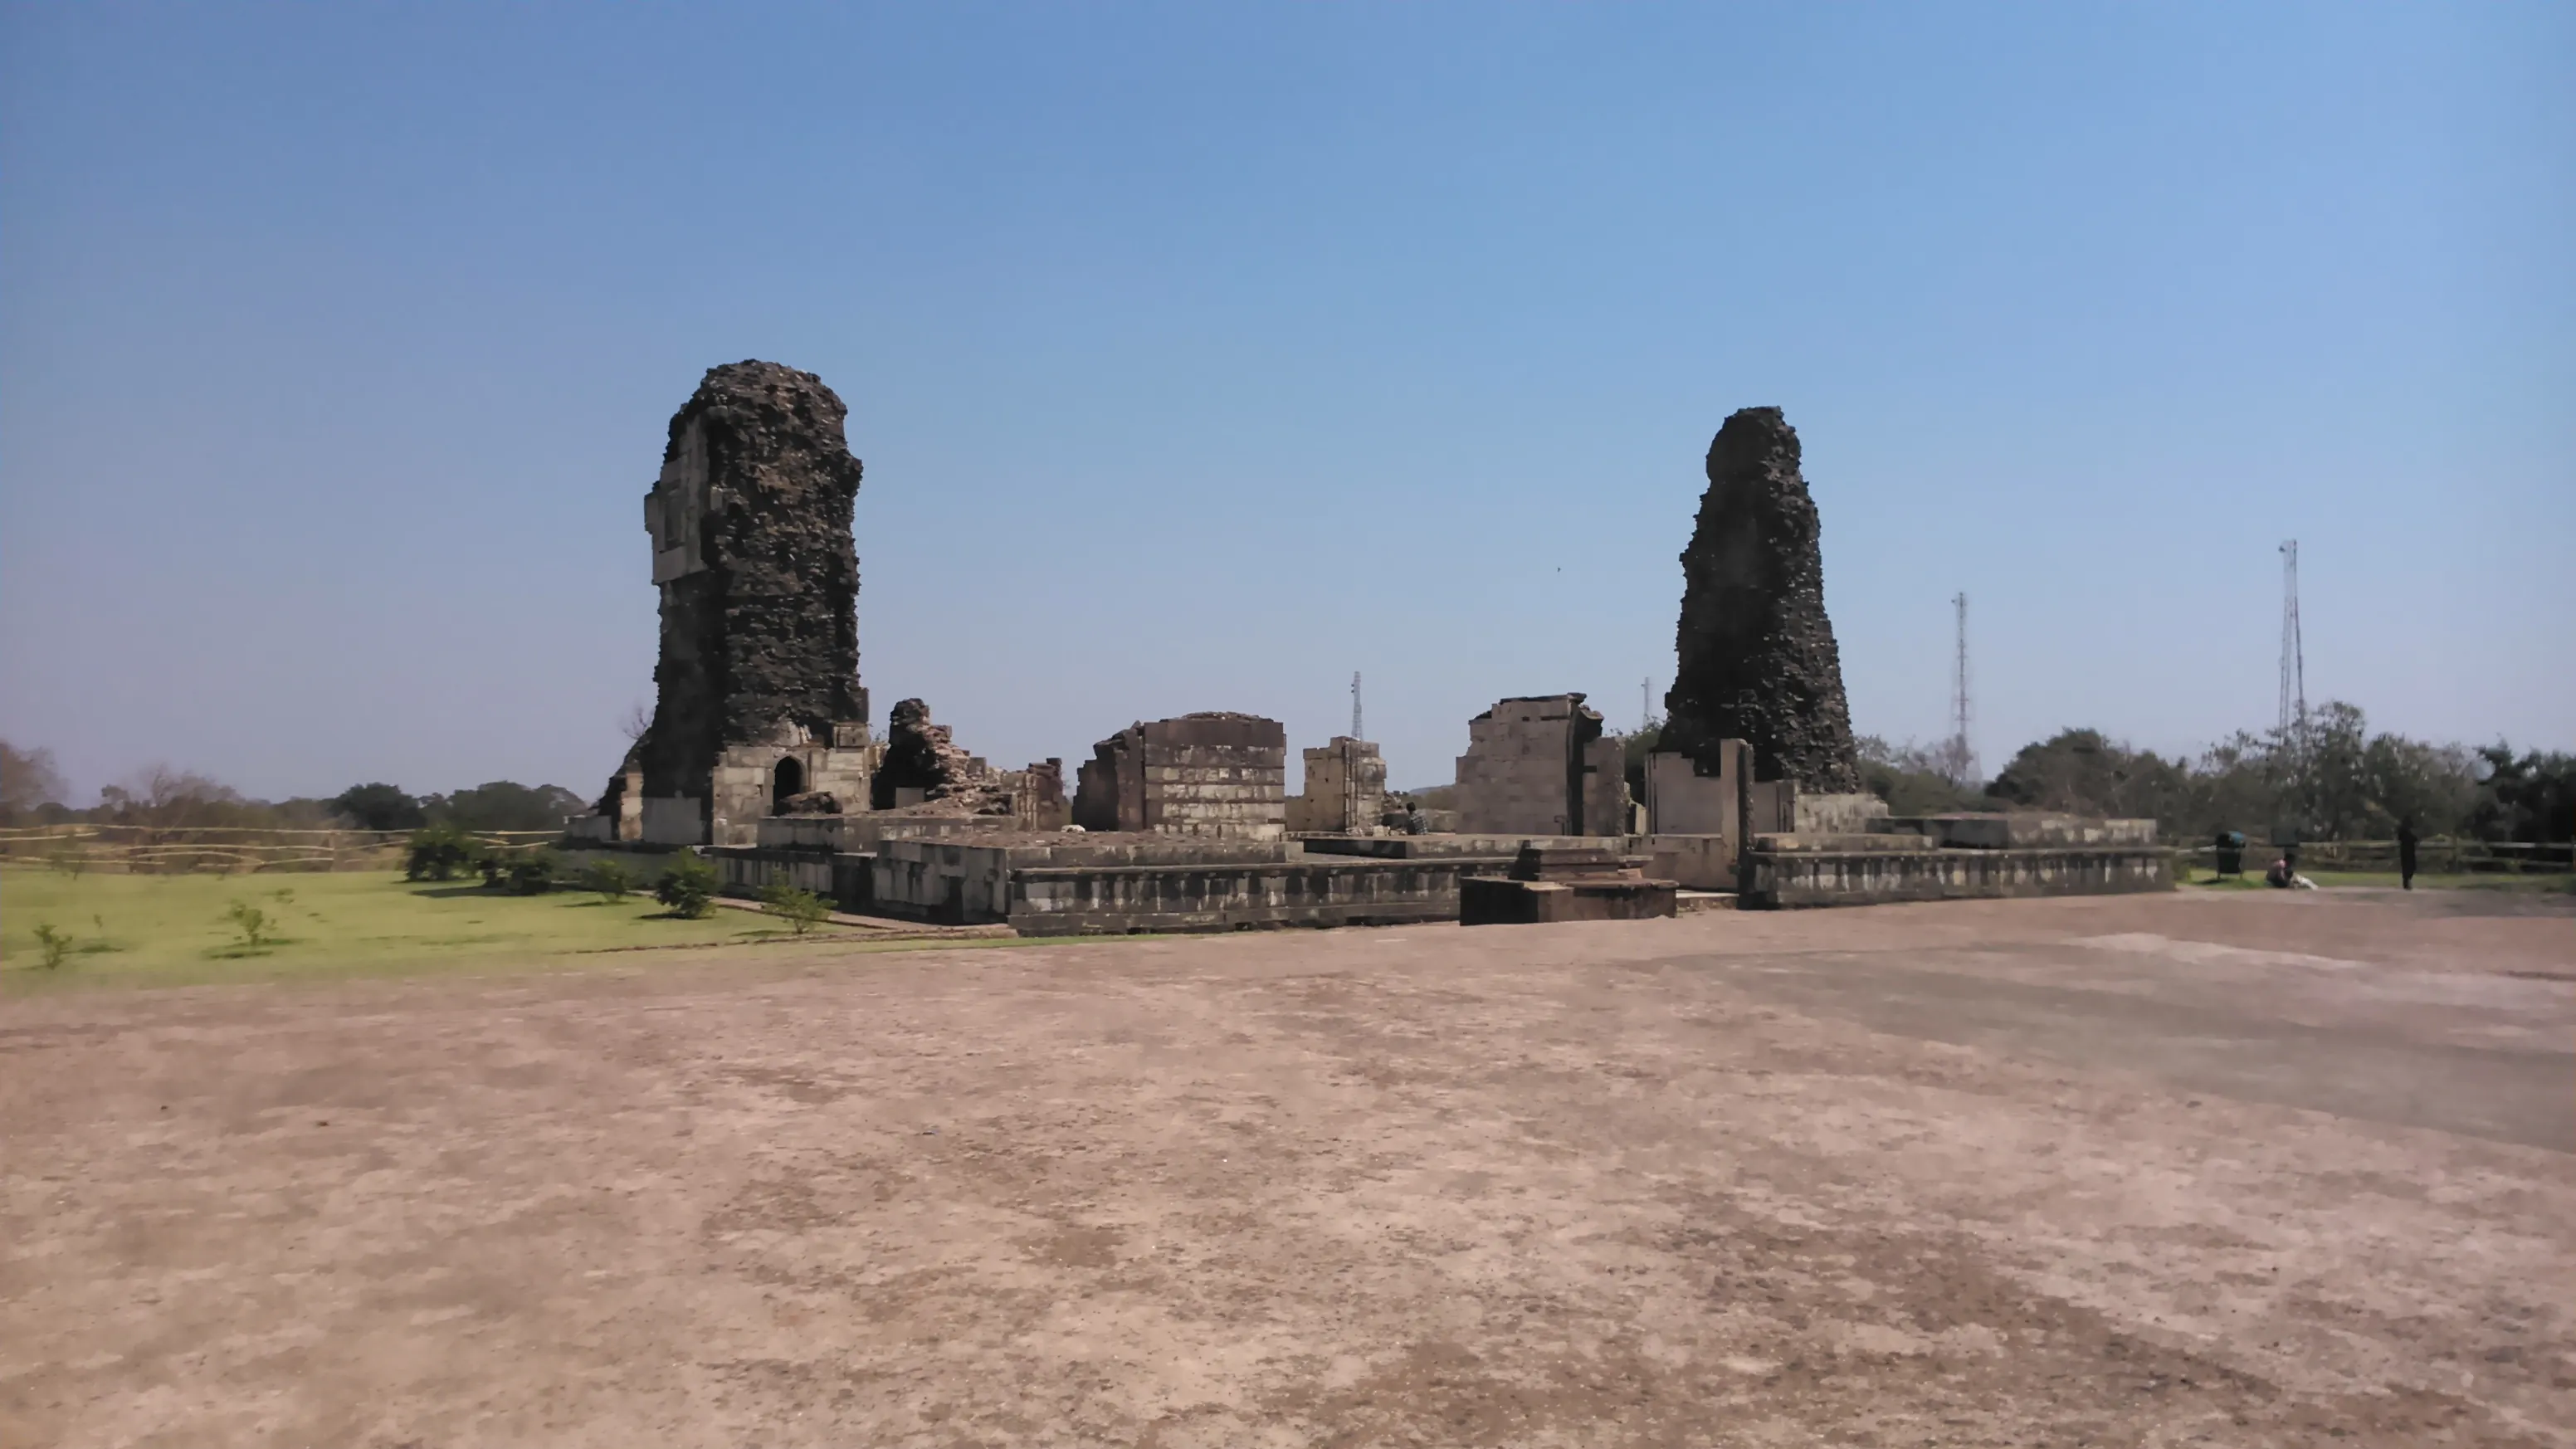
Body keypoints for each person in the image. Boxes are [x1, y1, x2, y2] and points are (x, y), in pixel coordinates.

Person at [2398, 819, 2419, 890]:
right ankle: (2406, 883)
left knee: (2409, 868)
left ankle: (2407, 882)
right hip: (2407, 851)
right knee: (2408, 868)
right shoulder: (2405, 832)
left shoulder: (2406, 832)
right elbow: (2414, 839)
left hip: (2407, 851)